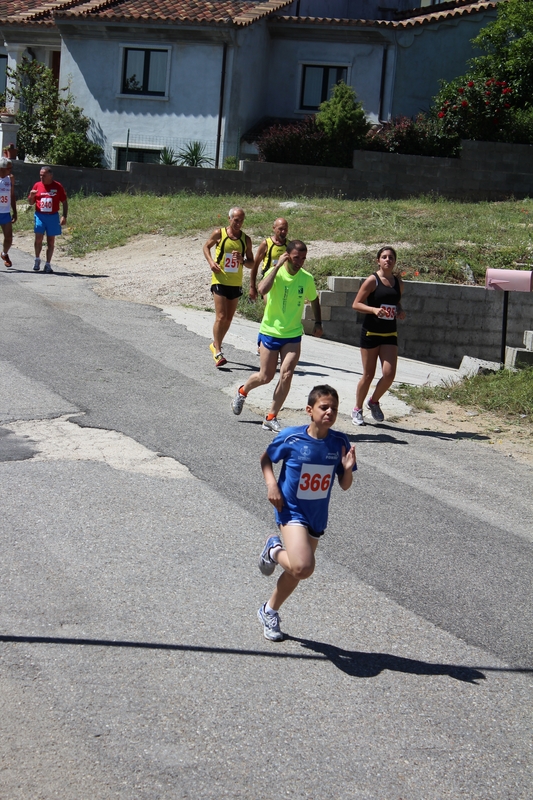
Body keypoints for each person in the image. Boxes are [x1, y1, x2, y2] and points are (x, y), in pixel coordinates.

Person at [256, 384, 357, 641]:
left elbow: (344, 486)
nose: (330, 412)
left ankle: (269, 610)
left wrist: (346, 469)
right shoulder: (291, 438)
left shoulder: (339, 442)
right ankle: (273, 549)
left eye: (334, 408)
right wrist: (271, 485)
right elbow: (266, 458)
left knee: (296, 572)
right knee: (303, 566)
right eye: (324, 407)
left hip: (316, 516)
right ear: (310, 410)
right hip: (290, 510)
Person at [231, 240, 323, 432]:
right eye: (297, 258)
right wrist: (277, 266)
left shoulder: (306, 278)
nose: (300, 262)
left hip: (292, 334)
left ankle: (271, 416)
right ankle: (242, 391)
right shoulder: (276, 273)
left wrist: (318, 323)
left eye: (304, 258)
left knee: (287, 374)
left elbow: (314, 300)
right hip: (270, 331)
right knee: (266, 376)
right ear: (287, 255)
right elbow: (262, 289)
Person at [351, 246, 406, 425]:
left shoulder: (398, 282)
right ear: (378, 261)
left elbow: (396, 302)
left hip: (389, 332)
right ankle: (357, 409)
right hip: (371, 332)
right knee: (368, 374)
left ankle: (373, 401)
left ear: (394, 261)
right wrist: (374, 310)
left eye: (391, 257)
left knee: (389, 374)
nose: (387, 260)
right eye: (384, 257)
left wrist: (400, 310)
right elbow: (356, 304)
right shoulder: (372, 281)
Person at [203, 206, 254, 367]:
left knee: (229, 319)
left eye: (241, 220)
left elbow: (252, 263)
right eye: (236, 220)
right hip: (219, 279)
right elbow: (206, 247)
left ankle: (215, 343)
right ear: (229, 219)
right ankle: (217, 351)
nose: (238, 223)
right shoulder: (220, 233)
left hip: (235, 282)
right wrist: (211, 263)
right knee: (221, 316)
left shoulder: (246, 240)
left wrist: (243, 260)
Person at [28, 166, 68, 274]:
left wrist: (64, 216)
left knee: (51, 240)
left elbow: (64, 201)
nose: (41, 177)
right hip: (40, 215)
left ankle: (48, 264)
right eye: (40, 175)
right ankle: (37, 259)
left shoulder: (57, 186)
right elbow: (31, 203)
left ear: (50, 175)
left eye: (44, 175)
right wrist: (31, 197)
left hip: (53, 216)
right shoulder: (37, 185)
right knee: (38, 238)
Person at [248, 217, 289, 302]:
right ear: (274, 228)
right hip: (268, 281)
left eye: (285, 229)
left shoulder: (290, 245)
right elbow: (254, 266)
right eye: (280, 229)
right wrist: (252, 287)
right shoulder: (266, 244)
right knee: (269, 307)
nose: (283, 232)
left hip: (283, 282)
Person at [0, 157, 16, 268]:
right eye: (9, 168)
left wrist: (15, 211)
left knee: (9, 238)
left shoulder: (10, 179)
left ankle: (4, 254)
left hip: (5, 212)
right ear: (2, 168)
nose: (10, 170)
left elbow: (12, 195)